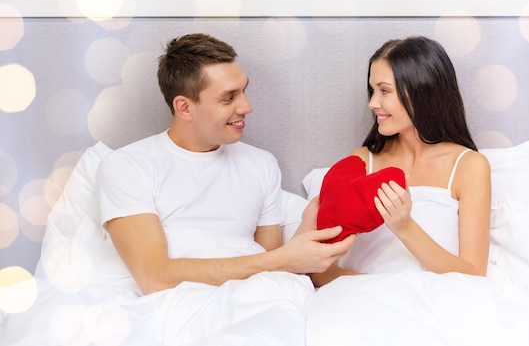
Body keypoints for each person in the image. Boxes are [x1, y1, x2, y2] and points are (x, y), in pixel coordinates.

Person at [95, 33, 355, 344]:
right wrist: (285, 258)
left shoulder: (260, 164)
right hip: (185, 307)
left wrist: (303, 238)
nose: (247, 106)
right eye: (228, 97)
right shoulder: (129, 166)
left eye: (244, 90)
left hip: (266, 301)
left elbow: (270, 263)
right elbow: (155, 277)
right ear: (185, 107)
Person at [309, 36, 491, 287]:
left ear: (422, 92)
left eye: (384, 91)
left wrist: (404, 227)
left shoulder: (469, 166)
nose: (373, 103)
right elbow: (319, 270)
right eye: (372, 90)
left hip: (438, 302)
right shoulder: (360, 163)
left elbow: (473, 275)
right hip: (362, 299)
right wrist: (384, 289)